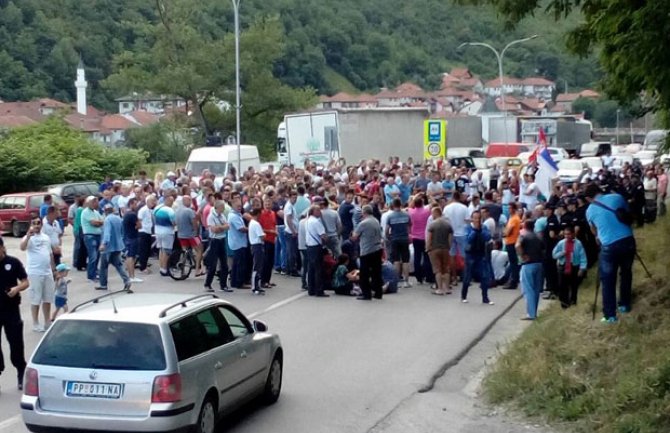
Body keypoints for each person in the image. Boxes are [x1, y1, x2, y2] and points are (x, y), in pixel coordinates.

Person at [584, 182, 636, 323]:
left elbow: (594, 230)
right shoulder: (617, 197)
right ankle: (624, 304)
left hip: (609, 246)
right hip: (628, 240)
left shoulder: (589, 210)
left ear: (589, 198)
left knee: (608, 280)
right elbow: (626, 213)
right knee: (626, 273)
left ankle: (610, 315)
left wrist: (598, 236)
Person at [0, 236, 29, 390]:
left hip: (11, 310)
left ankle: (20, 371)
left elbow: (25, 281)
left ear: (2, 248)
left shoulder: (13, 262)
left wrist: (17, 289)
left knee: (16, 343)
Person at [20, 217, 56, 332]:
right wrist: (28, 236)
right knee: (36, 299)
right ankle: (35, 323)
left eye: (38, 223)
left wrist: (54, 269)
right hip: (34, 273)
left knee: (47, 298)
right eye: (34, 223)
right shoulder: (28, 237)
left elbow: (50, 254)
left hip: (47, 272)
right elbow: (22, 247)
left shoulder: (46, 237)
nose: (36, 225)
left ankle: (47, 322)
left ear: (41, 224)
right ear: (31, 224)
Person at [461, 211, 494, 305]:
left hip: (481, 254)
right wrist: (475, 230)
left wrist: (481, 230)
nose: (477, 220)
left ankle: (485, 298)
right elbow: (468, 240)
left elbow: (488, 237)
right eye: (475, 218)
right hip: (470, 254)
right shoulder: (467, 227)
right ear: (472, 218)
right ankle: (464, 296)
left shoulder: (484, 227)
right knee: (468, 276)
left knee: (484, 276)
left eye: (479, 218)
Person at [352, 205, 384, 300]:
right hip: (377, 248)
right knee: (376, 272)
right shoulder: (376, 220)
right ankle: (378, 292)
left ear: (364, 213)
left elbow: (354, 236)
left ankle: (366, 294)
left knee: (364, 274)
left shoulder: (363, 223)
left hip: (367, 250)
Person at [97, 204, 132, 291]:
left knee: (103, 266)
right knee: (118, 265)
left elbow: (107, 233)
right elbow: (122, 232)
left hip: (108, 247)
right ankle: (127, 280)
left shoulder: (107, 220)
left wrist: (104, 244)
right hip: (118, 246)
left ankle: (103, 284)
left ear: (105, 211)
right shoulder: (119, 219)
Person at [552, 226, 587, 309]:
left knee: (574, 286)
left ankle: (573, 302)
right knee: (562, 286)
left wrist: (582, 268)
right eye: (565, 234)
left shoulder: (578, 244)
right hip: (563, 266)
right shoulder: (561, 243)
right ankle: (564, 304)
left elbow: (583, 257)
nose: (567, 236)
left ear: (573, 234)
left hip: (574, 266)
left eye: (569, 234)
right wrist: (562, 253)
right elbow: (554, 255)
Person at [516, 219, 545, 320]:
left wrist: (523, 255)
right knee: (536, 289)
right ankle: (534, 312)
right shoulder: (539, 236)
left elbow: (518, 245)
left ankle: (530, 314)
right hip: (539, 263)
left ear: (524, 226)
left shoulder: (523, 236)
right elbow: (543, 249)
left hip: (528, 264)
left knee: (528, 289)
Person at [426, 206, 453, 295]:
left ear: (436, 213)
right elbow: (450, 237)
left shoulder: (432, 225)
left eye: (432, 213)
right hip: (445, 248)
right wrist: (448, 246)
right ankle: (447, 288)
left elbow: (429, 238)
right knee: (446, 269)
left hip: (435, 249)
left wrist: (428, 247)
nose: (432, 215)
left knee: (437, 269)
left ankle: (440, 288)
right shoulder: (447, 224)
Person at [205, 200, 231, 293]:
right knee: (213, 264)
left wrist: (221, 227)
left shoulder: (222, 216)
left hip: (222, 239)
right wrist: (222, 227)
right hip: (214, 240)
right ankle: (207, 284)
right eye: (222, 207)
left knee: (224, 264)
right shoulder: (211, 217)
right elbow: (214, 230)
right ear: (217, 208)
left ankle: (223, 285)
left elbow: (228, 226)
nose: (223, 209)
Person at [386, 198, 412, 287]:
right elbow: (409, 226)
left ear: (393, 205)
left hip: (395, 239)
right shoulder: (406, 215)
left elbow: (387, 229)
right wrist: (408, 234)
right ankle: (406, 281)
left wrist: (389, 237)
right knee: (405, 260)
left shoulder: (390, 216)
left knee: (396, 260)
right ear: (400, 204)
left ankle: (396, 281)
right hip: (404, 239)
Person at [305, 205, 329, 297]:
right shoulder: (316, 222)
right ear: (313, 212)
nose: (320, 212)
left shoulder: (307, 221)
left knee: (311, 268)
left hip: (309, 246)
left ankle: (311, 289)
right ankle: (319, 290)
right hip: (316, 247)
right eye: (318, 210)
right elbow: (323, 235)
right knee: (318, 269)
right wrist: (327, 240)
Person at [409, 197, 433, 285]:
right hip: (425, 236)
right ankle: (428, 275)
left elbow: (409, 205)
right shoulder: (427, 212)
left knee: (417, 257)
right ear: (422, 203)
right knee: (427, 257)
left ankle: (418, 277)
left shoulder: (411, 212)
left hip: (415, 237)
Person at [81, 196, 104, 283]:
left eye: (96, 201)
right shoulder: (85, 212)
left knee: (97, 256)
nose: (95, 203)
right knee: (93, 256)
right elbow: (94, 223)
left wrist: (99, 222)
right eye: (93, 202)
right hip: (90, 236)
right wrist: (98, 222)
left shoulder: (95, 212)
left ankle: (95, 273)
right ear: (89, 202)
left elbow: (102, 221)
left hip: (97, 235)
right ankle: (90, 276)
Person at [153, 194, 177, 277]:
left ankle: (161, 267)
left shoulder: (157, 208)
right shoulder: (170, 211)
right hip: (167, 232)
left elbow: (153, 217)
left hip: (157, 230)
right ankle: (164, 269)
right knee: (167, 251)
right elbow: (174, 222)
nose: (172, 203)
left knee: (161, 249)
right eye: (171, 201)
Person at [122, 198, 142, 283]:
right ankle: (132, 276)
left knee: (129, 256)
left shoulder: (126, 214)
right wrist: (138, 224)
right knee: (131, 257)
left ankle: (130, 275)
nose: (136, 206)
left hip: (127, 236)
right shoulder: (132, 214)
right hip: (132, 237)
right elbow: (139, 225)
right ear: (130, 204)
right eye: (135, 204)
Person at [502, 202, 521, 290]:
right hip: (510, 242)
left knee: (513, 263)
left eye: (510, 208)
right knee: (513, 262)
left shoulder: (514, 219)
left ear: (514, 209)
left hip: (512, 242)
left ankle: (513, 281)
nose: (509, 210)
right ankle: (513, 280)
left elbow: (507, 232)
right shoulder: (512, 218)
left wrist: (504, 232)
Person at [259, 197, 277, 288]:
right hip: (265, 240)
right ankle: (263, 281)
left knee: (270, 262)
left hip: (272, 240)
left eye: (269, 204)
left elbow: (274, 225)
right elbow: (260, 228)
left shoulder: (273, 213)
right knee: (265, 262)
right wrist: (270, 231)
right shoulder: (261, 214)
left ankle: (268, 280)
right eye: (266, 204)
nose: (267, 205)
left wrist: (275, 232)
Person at [248, 208, 266, 295]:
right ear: (258, 214)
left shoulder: (251, 223)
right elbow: (261, 236)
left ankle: (257, 285)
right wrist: (265, 235)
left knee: (258, 266)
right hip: (257, 245)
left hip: (254, 245)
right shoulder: (256, 224)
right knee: (257, 266)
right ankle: (255, 286)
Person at [137, 195, 157, 274]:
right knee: (143, 250)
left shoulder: (150, 210)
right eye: (152, 202)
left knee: (148, 250)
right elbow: (139, 220)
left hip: (148, 231)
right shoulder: (143, 210)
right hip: (143, 231)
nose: (154, 203)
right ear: (148, 202)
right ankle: (142, 267)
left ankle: (144, 265)